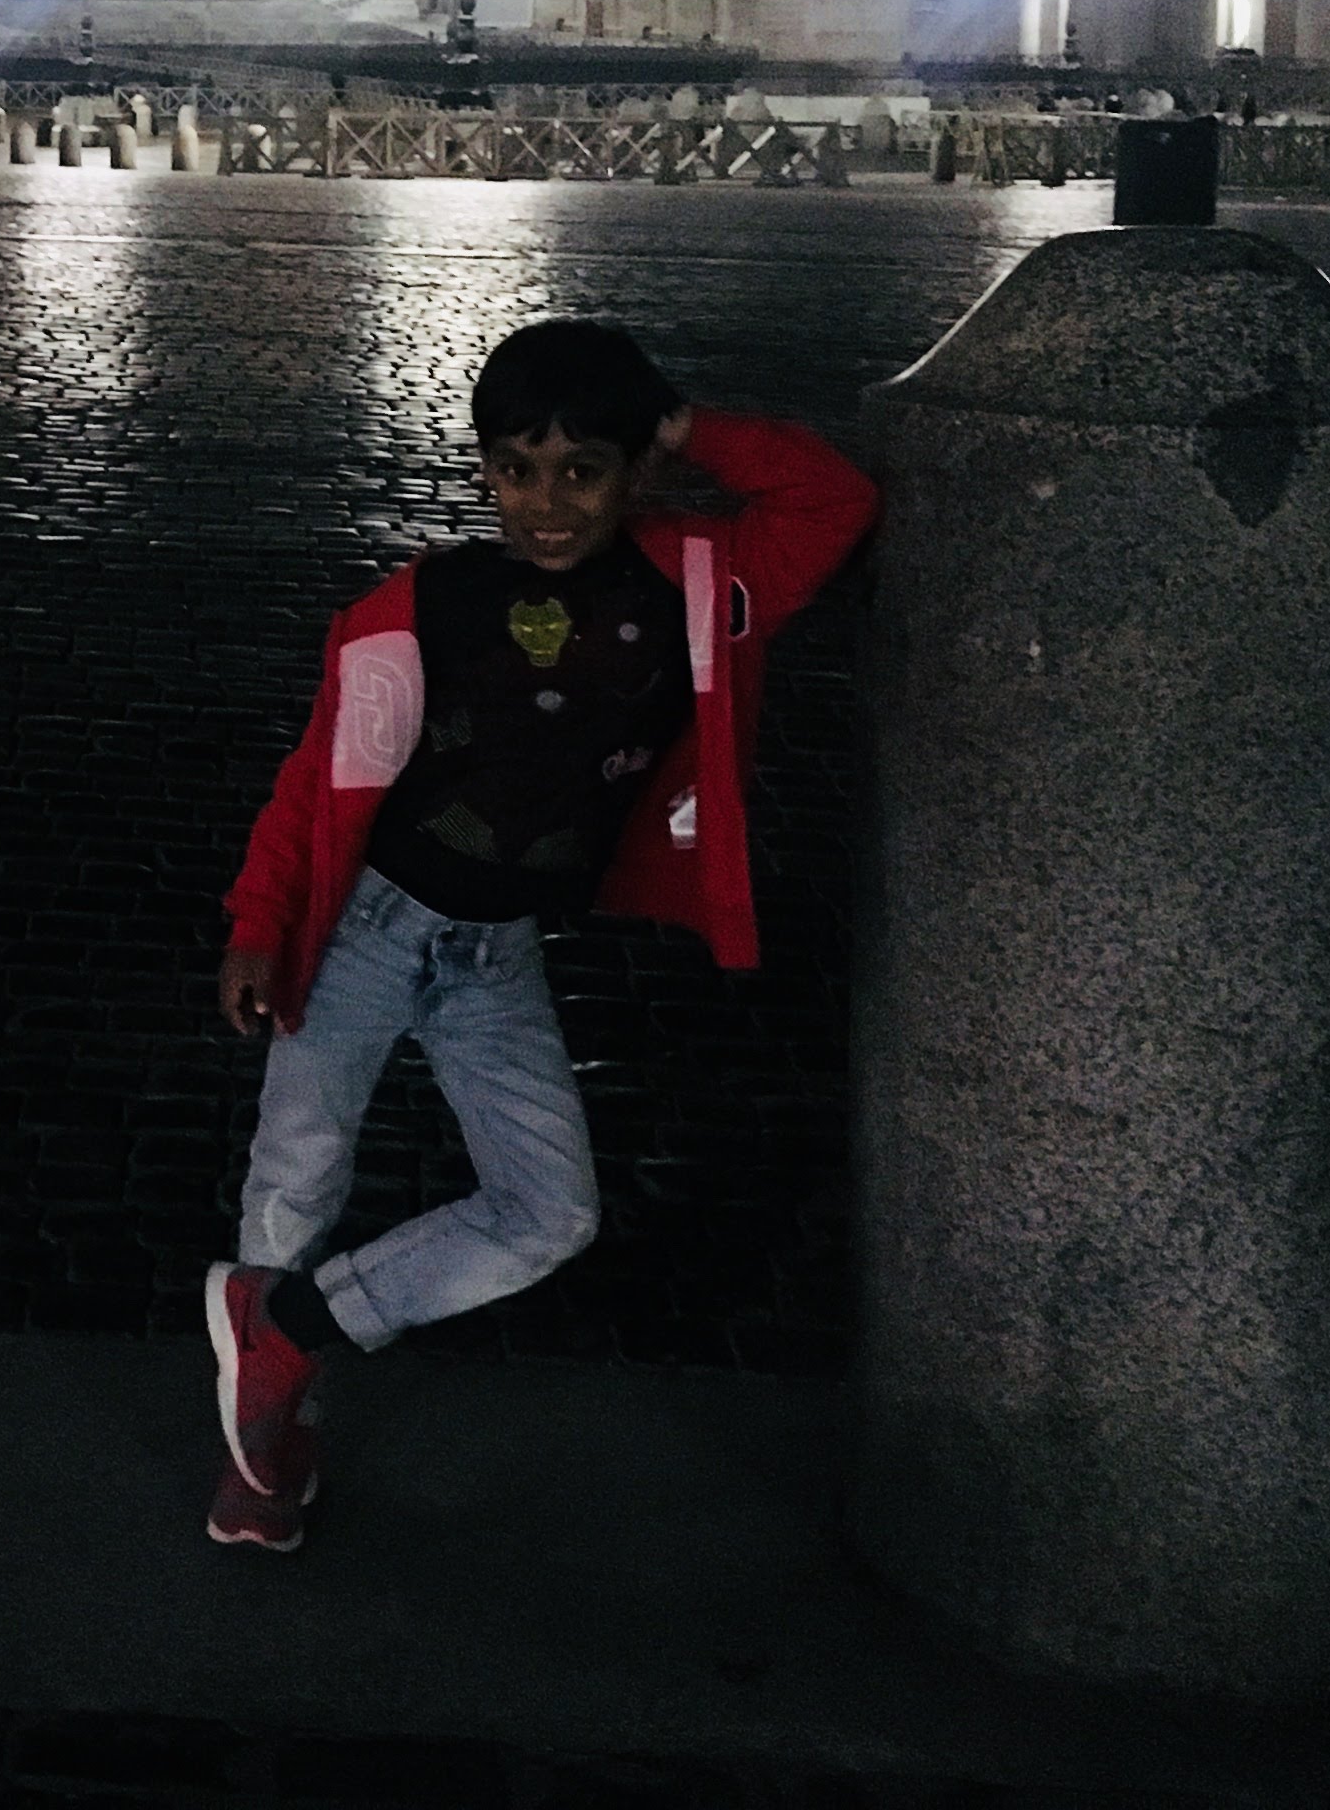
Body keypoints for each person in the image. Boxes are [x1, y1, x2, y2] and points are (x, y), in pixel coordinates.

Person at [199, 320, 876, 1552]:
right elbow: (320, 777)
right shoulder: (422, 601)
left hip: (494, 956)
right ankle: (266, 1454)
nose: (548, 504)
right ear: (484, 472)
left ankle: (295, 1333)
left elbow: (831, 500)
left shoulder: (695, 587)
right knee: (292, 1187)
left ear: (636, 473)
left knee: (549, 1213)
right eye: (517, 470)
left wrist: (681, 425)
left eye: (584, 471)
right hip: (363, 927)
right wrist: (260, 923)